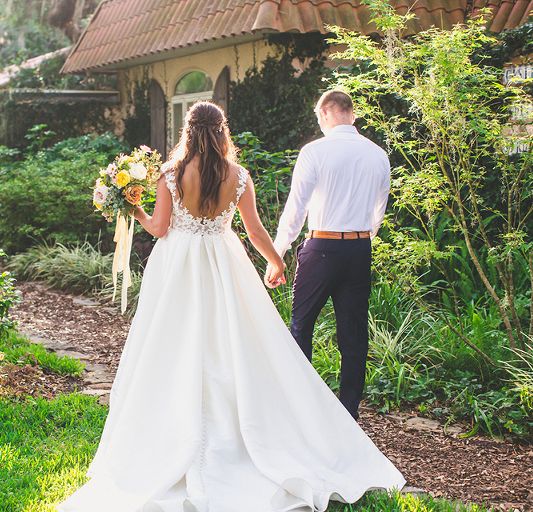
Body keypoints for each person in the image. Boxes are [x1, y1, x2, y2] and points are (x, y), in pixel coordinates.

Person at [59, 101, 403, 512]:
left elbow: (159, 228)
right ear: (223, 131)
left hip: (178, 267)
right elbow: (255, 230)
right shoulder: (238, 175)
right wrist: (276, 261)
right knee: (233, 344)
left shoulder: (170, 174)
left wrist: (131, 207)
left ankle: (170, 426)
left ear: (188, 130)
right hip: (224, 262)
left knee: (171, 344)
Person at [266, 90, 391, 421]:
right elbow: (378, 212)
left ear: (323, 114)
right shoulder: (378, 155)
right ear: (352, 114)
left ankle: (299, 408)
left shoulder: (314, 152)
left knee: (301, 327)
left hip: (321, 247)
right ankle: (348, 415)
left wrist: (277, 254)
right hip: (359, 248)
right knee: (353, 335)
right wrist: (359, 239)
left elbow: (296, 209)